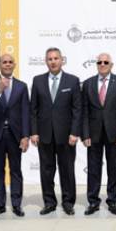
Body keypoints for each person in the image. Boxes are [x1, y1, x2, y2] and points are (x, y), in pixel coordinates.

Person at [30, 47, 82, 215]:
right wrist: (34, 132)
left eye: (56, 58)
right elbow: (33, 110)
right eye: (50, 59)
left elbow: (77, 110)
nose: (53, 61)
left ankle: (68, 202)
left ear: (62, 60)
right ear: (46, 61)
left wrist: (75, 132)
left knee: (67, 170)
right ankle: (49, 202)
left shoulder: (72, 81)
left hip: (66, 136)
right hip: (44, 135)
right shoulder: (38, 81)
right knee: (46, 171)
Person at [82, 53, 116, 216]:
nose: (102, 64)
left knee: (114, 169)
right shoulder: (88, 83)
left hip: (114, 135)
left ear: (111, 65)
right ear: (96, 64)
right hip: (93, 135)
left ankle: (112, 201)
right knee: (93, 169)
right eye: (99, 62)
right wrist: (85, 134)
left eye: (106, 62)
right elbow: (84, 111)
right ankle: (93, 202)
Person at [0, 54, 30, 217]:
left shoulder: (22, 86)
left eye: (10, 62)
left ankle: (16, 204)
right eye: (4, 62)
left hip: (15, 134)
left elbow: (25, 112)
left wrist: (25, 136)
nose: (8, 64)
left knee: (16, 170)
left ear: (14, 65)